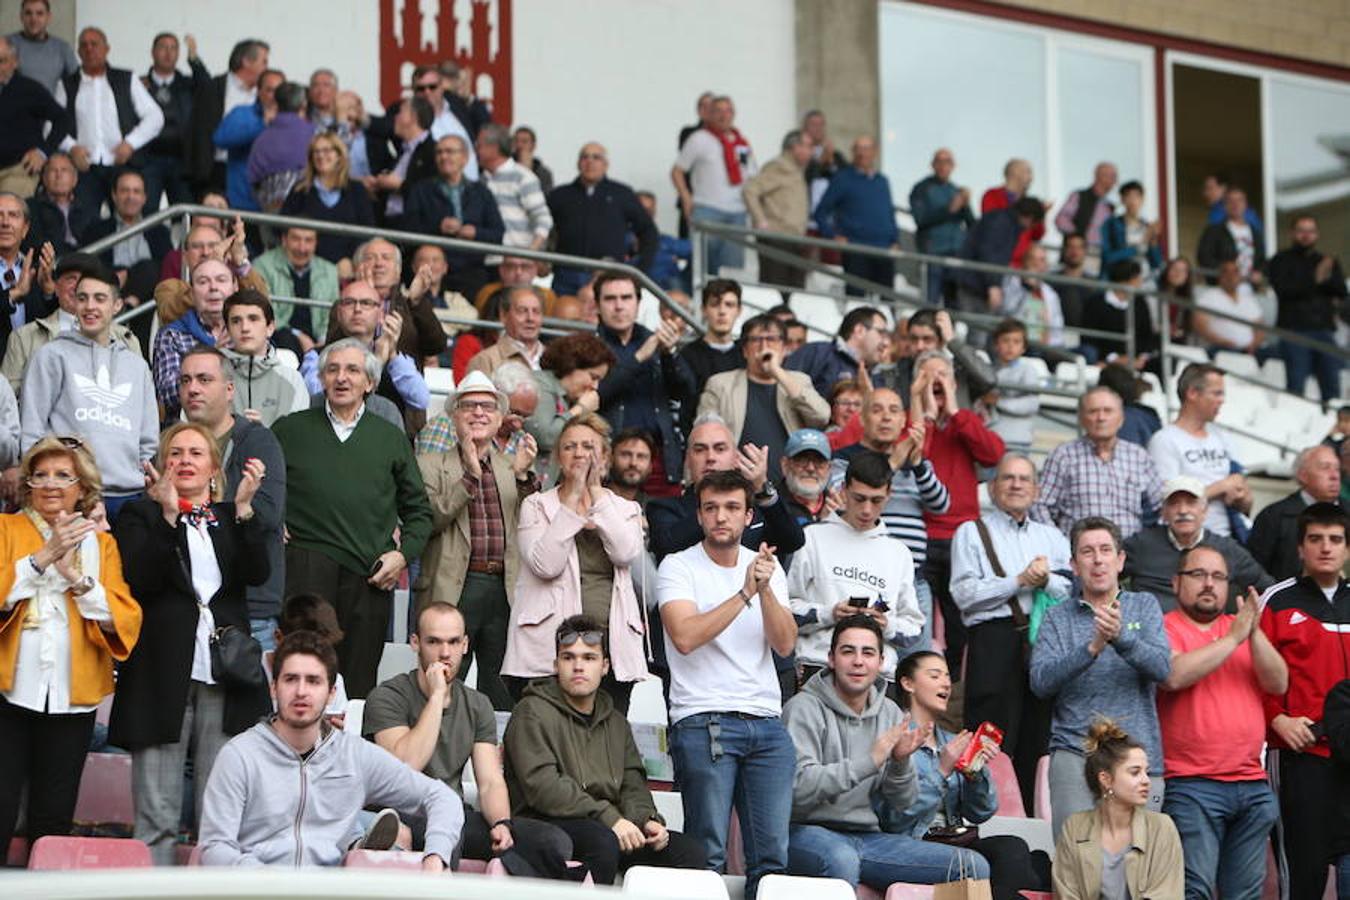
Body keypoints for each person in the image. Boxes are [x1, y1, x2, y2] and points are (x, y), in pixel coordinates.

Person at [109, 422, 270, 864]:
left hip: (224, 674)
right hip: (162, 676)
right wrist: (166, 518)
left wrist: (244, 510)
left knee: (218, 820)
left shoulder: (229, 515)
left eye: (196, 453)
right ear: (162, 465)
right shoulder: (140, 515)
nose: (184, 461)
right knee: (156, 817)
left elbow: (258, 573)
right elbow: (140, 578)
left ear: (214, 467)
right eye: (175, 453)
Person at [199, 630, 463, 868]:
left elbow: (442, 798)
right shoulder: (240, 755)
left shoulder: (353, 755)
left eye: (313, 681)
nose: (301, 691)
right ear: (273, 688)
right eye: (291, 679)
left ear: (331, 693)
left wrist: (435, 858)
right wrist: (265, 879)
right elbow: (214, 847)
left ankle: (361, 844)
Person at [658, 469, 798, 899]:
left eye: (732, 508)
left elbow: (786, 643)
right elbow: (684, 637)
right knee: (707, 854)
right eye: (712, 508)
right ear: (699, 515)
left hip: (767, 724)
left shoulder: (767, 570)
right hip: (704, 721)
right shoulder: (677, 566)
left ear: (748, 516)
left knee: (772, 859)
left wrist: (765, 588)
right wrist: (743, 595)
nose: (722, 517)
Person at [0, 436, 141, 857]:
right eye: (40, 475)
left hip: (72, 697)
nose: (50, 484)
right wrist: (41, 559)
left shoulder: (102, 545)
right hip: (9, 690)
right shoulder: (6, 529)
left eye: (63, 475)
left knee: (54, 819)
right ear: (27, 484)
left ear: (83, 487)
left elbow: (125, 617)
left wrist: (78, 580)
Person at [273, 338, 433, 698]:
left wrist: (402, 555)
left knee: (358, 684)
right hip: (306, 566)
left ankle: (347, 755)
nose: (341, 378)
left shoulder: (391, 438)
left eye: (352, 370)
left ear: (370, 383)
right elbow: (259, 486)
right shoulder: (289, 429)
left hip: (369, 575)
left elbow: (419, 511)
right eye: (332, 369)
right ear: (322, 379)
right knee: (301, 675)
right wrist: (273, 518)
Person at [365, 602, 571, 876]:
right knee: (447, 825)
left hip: (455, 812)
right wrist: (438, 696)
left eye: (453, 642)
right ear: (415, 643)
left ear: (465, 644)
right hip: (399, 811)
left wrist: (502, 823)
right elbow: (406, 764)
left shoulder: (477, 704)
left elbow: (489, 782)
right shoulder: (387, 696)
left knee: (552, 841)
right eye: (434, 642)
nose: (445, 653)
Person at [504, 616, 706, 884]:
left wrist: (646, 820)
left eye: (589, 658)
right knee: (602, 842)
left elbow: (632, 784)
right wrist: (609, 818)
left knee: (688, 853)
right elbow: (544, 788)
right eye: (568, 657)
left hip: (607, 823)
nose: (578, 666)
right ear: (556, 665)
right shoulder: (530, 712)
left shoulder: (616, 722)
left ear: (605, 666)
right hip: (546, 821)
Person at [1158, 545, 1286, 900]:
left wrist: (1253, 632)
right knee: (1194, 891)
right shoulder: (1165, 627)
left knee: (1244, 896)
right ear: (1175, 582)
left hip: (1251, 785)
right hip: (1192, 784)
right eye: (1198, 575)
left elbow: (1278, 683)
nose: (1209, 584)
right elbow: (1174, 675)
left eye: (1218, 577)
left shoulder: (1241, 629)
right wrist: (1233, 639)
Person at [1030, 517, 1170, 839]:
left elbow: (1163, 669)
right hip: (1075, 754)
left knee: (1137, 871)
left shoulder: (1144, 606)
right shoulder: (1057, 617)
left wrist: (1121, 638)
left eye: (1106, 550)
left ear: (1120, 560)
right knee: (1076, 862)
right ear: (1074, 565)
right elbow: (1040, 682)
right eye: (1087, 552)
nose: (1098, 559)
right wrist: (1091, 648)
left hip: (1138, 755)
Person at [951, 455, 1071, 812]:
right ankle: (979, 814)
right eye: (1008, 478)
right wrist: (1019, 581)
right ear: (992, 487)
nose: (1016, 485)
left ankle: (1035, 818)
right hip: (993, 638)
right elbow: (964, 595)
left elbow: (1070, 588)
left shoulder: (1051, 536)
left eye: (1023, 479)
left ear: (1036, 490)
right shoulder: (971, 532)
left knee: (1039, 737)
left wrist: (1045, 579)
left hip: (1041, 640)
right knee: (987, 733)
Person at [503, 413, 646, 712]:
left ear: (605, 456)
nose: (579, 453)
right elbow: (546, 565)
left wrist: (595, 492)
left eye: (588, 446)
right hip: (549, 650)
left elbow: (624, 552)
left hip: (610, 650)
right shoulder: (536, 505)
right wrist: (572, 501)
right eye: (569, 447)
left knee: (606, 743)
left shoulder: (625, 508)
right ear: (557, 456)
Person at [884, 649, 1053, 899]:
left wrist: (975, 771)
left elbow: (980, 813)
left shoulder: (952, 740)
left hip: (955, 839)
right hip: (913, 843)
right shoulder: (892, 740)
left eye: (947, 676)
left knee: (1014, 848)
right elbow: (896, 818)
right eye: (934, 675)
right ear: (908, 683)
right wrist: (942, 770)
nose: (945, 683)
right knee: (1032, 869)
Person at [415, 371, 538, 711]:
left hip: (503, 588)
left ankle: (498, 762)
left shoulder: (510, 467)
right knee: (440, 684)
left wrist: (525, 477)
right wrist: (469, 474)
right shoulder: (429, 464)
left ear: (500, 418)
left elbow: (530, 525)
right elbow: (431, 519)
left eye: (487, 406)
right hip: (454, 585)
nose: (479, 413)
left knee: (501, 690)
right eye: (469, 406)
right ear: (454, 415)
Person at [781, 617, 930, 890]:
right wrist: (870, 761)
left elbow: (903, 803)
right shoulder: (803, 708)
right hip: (803, 833)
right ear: (831, 659)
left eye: (868, 652)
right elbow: (796, 789)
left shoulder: (890, 713)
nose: (858, 661)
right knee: (842, 859)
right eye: (848, 651)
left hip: (869, 838)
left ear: (881, 662)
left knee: (970, 866)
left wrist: (899, 761)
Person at [1260, 502, 1350, 900]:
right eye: (1315, 539)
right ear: (1300, 548)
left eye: (1335, 539)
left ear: (1347, 547)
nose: (1326, 548)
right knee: (1303, 876)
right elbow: (1252, 676)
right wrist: (1276, 720)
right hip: (1300, 756)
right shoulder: (1276, 601)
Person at [20, 267, 157, 520]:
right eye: (82, 298)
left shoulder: (136, 365)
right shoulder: (52, 355)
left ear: (117, 305)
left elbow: (148, 441)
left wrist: (146, 481)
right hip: (71, 495)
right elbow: (32, 431)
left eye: (99, 298)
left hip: (129, 495)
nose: (89, 306)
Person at [178, 346, 288, 651]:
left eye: (203, 379)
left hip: (250, 607)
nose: (193, 389)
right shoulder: (173, 444)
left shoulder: (257, 441)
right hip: (188, 604)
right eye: (185, 380)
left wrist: (226, 508)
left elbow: (266, 514)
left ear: (229, 390)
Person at [788, 451, 924, 682]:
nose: (867, 510)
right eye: (859, 498)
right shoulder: (812, 538)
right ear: (843, 491)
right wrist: (829, 613)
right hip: (819, 666)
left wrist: (886, 624)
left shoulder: (898, 552)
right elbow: (783, 611)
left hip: (879, 676)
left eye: (876, 500)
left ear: (889, 495)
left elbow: (914, 630)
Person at [829, 389, 948, 645]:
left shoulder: (914, 461)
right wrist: (894, 460)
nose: (886, 418)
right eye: (877, 410)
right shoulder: (844, 458)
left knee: (916, 662)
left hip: (913, 581)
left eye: (894, 411)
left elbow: (941, 504)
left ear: (903, 421)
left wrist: (916, 465)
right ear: (861, 419)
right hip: (862, 576)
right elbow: (840, 499)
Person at [911, 351, 1005, 674]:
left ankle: (953, 685)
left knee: (958, 623)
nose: (936, 382)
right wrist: (924, 414)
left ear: (953, 383)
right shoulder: (911, 423)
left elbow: (993, 454)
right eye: (928, 376)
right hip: (920, 532)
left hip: (961, 535)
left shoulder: (965, 421)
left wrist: (954, 410)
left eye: (943, 376)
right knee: (919, 619)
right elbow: (914, 458)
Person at [1051, 721, 1184, 900]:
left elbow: (1166, 895)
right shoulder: (1074, 827)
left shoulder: (1162, 827)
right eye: (1135, 772)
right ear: (1105, 779)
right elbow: (1066, 894)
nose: (1146, 780)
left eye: (1147, 772)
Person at [595, 272, 696, 496]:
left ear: (638, 302)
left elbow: (687, 390)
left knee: (663, 526)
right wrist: (640, 358)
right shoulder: (588, 345)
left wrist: (670, 353)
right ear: (597, 305)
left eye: (626, 298)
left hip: (659, 458)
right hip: (608, 457)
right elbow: (596, 396)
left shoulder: (655, 339)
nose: (619, 306)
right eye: (610, 299)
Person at [697, 314, 829, 478]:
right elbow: (703, 434)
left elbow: (821, 417)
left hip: (790, 484)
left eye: (771, 339)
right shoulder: (720, 384)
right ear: (745, 350)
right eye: (756, 340)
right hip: (736, 483)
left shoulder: (798, 381)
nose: (764, 346)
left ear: (784, 348)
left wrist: (778, 373)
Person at [1122, 476, 1272, 612]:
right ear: (1164, 513)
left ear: (1204, 511)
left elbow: (1268, 588)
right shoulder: (1141, 545)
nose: (1183, 510)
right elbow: (1104, 572)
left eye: (1191, 503)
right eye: (1174, 504)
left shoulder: (1226, 548)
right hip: (1151, 635)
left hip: (1209, 635)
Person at [54, 27, 164, 212]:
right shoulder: (66, 84)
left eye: (94, 44)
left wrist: (130, 143)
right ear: (79, 51)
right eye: (84, 45)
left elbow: (155, 117)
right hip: (85, 169)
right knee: (85, 222)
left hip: (123, 165)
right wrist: (71, 147)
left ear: (107, 49)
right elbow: (51, 125)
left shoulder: (126, 79)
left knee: (128, 221)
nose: (89, 49)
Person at [1034, 385, 1164, 539]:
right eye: (1093, 411)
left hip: (1130, 555)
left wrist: (1147, 543)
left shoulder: (1139, 456)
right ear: (1081, 419)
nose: (1101, 417)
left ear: (1121, 419)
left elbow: (1161, 506)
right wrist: (1057, 542)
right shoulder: (1063, 456)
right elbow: (1039, 505)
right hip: (1079, 556)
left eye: (1108, 411)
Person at [2, 250, 140, 393]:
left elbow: (141, 395)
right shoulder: (24, 338)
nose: (78, 287)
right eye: (71, 279)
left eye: (86, 280)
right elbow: (6, 402)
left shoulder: (126, 339)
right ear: (55, 287)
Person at [1148, 363, 1248, 539]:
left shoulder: (1223, 438)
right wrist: (1222, 486)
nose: (1221, 400)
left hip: (1232, 537)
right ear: (1192, 393)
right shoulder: (1164, 440)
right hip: (1190, 540)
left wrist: (1241, 496)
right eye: (1216, 393)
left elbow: (1246, 505)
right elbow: (1165, 500)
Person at [545, 141, 656, 297]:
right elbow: (541, 227)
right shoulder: (560, 195)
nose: (590, 162)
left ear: (606, 164)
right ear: (578, 163)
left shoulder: (622, 194)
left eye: (596, 157)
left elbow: (648, 231)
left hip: (607, 276)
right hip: (566, 275)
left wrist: (639, 269)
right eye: (585, 157)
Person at [404, 134, 504, 300]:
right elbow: (407, 230)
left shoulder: (481, 192)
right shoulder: (421, 190)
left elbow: (498, 234)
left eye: (450, 152)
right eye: (439, 152)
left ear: (464, 158)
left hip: (472, 272)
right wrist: (437, 227)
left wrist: (475, 233)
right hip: (430, 272)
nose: (443, 157)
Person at [672, 94, 758, 275]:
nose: (723, 115)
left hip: (737, 213)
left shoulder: (741, 142)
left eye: (728, 111)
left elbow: (751, 176)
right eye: (718, 111)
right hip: (707, 209)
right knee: (702, 266)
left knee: (732, 269)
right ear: (709, 114)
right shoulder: (699, 138)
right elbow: (677, 171)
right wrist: (687, 198)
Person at [1267, 215, 1347, 401]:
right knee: (1296, 385)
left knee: (1331, 387)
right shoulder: (1281, 260)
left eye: (1310, 231)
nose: (1306, 235)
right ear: (1293, 233)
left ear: (1317, 235)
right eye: (1301, 230)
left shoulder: (1325, 261)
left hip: (1324, 331)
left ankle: (1334, 427)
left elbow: (1341, 291)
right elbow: (1284, 290)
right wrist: (1316, 279)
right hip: (1294, 330)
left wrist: (1324, 279)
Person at [814, 136, 899, 296]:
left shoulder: (882, 181)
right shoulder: (842, 178)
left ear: (874, 152)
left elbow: (890, 213)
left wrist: (895, 240)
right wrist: (832, 236)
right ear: (853, 152)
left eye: (866, 148)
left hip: (884, 250)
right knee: (857, 302)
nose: (862, 153)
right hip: (856, 249)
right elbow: (820, 212)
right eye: (858, 149)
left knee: (887, 303)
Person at [280, 131, 376, 271]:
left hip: (346, 267)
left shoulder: (357, 190)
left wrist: (351, 259)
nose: (320, 156)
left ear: (339, 155)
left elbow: (367, 229)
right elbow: (282, 226)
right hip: (306, 265)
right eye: (316, 152)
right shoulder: (300, 190)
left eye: (327, 150)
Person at [152, 257, 234, 421]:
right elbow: (168, 396)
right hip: (188, 430)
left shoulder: (246, 331)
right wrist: (213, 357)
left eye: (221, 280)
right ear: (191, 293)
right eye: (203, 282)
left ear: (235, 287)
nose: (213, 288)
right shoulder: (172, 335)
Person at [187, 38, 270, 195]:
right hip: (212, 171)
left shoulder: (266, 96)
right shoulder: (212, 87)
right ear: (247, 62)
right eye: (263, 62)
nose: (267, 68)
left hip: (249, 174)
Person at [524, 332, 614, 476]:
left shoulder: (566, 398)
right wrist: (580, 409)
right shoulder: (540, 385)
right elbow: (546, 437)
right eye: (593, 377)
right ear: (572, 365)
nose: (595, 386)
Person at [1248, 444, 1342, 582]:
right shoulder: (1274, 516)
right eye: (1325, 468)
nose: (1334, 476)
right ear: (1303, 475)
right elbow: (1254, 571)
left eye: (1337, 469)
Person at [82, 169, 171, 309]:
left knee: (150, 268)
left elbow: (166, 268)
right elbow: (91, 267)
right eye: (125, 191)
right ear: (114, 195)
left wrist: (129, 274)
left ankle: (130, 304)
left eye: (136, 191)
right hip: (110, 291)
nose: (131, 197)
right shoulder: (96, 230)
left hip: (147, 298)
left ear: (144, 197)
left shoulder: (159, 231)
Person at [138, 32, 206, 210]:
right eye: (163, 48)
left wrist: (194, 59)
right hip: (148, 159)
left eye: (173, 48)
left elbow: (207, 87)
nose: (168, 53)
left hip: (181, 161)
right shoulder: (138, 85)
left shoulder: (188, 84)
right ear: (153, 52)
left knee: (186, 213)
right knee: (147, 212)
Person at [951, 197, 1045, 324]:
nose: (1029, 228)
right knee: (978, 334)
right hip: (974, 284)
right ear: (1029, 217)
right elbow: (990, 253)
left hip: (976, 282)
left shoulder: (1004, 221)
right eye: (1033, 224)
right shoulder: (1002, 223)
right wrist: (993, 285)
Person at [0, 35, 71, 199]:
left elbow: (63, 120)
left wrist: (43, 152)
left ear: (15, 62)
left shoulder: (29, 89)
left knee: (8, 217)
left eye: (2, 61)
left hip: (17, 171)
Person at [742, 129, 813, 290]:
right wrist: (760, 220)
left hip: (795, 239)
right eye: (807, 146)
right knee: (775, 291)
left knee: (794, 292)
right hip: (777, 238)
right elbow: (750, 190)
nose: (811, 151)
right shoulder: (779, 167)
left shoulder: (796, 170)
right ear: (794, 147)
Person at [251, 226, 339, 350]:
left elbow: (331, 315)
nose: (302, 248)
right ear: (284, 240)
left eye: (308, 240)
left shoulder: (330, 270)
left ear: (315, 243)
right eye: (296, 239)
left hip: (318, 340)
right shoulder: (262, 265)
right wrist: (297, 335)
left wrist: (323, 341)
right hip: (279, 336)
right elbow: (265, 311)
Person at [211, 66, 284, 212]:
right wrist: (262, 125)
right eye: (269, 90)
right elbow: (220, 139)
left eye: (279, 91)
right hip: (243, 200)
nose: (274, 96)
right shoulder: (242, 113)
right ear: (259, 91)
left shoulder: (294, 119)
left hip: (280, 203)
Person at [908, 147, 974, 303]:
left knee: (955, 301)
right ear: (933, 165)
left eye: (948, 162)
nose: (944, 166)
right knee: (931, 300)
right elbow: (921, 218)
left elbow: (971, 223)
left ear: (953, 166)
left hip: (956, 253)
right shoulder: (922, 188)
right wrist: (950, 209)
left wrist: (965, 204)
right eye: (940, 161)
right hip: (933, 253)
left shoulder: (955, 190)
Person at [476, 122, 551, 253]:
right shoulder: (481, 180)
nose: (475, 150)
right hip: (487, 259)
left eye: (479, 145)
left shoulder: (523, 177)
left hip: (517, 263)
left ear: (493, 148)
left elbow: (543, 219)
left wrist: (531, 253)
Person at [786, 305, 887, 399]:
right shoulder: (817, 352)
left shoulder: (877, 375)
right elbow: (784, 391)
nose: (886, 342)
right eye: (881, 333)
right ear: (859, 330)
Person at [678, 278, 744, 412]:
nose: (722, 312)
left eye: (729, 305)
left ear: (739, 311)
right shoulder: (688, 354)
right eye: (715, 304)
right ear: (703, 310)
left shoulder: (747, 353)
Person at [409, 64, 479, 178]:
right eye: (420, 89)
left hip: (472, 190)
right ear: (413, 91)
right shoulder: (413, 121)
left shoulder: (457, 107)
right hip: (439, 191)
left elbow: (485, 125)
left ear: (442, 87)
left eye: (432, 87)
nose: (427, 92)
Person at [984, 319, 1041, 457]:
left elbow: (1032, 404)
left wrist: (998, 402)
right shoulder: (989, 370)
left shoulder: (1028, 370)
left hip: (1016, 440)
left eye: (1016, 342)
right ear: (996, 345)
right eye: (1005, 340)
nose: (1010, 346)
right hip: (991, 437)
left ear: (1024, 347)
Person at [998, 244, 1066, 353]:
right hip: (1017, 344)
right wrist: (1027, 287)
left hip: (1045, 346)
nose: (1037, 264)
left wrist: (1048, 342)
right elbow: (1007, 312)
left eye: (1042, 260)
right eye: (1032, 259)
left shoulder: (1051, 294)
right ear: (1024, 261)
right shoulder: (1010, 284)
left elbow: (1057, 328)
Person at [466, 286, 544, 376]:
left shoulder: (555, 359)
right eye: (522, 311)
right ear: (503, 316)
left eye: (536, 311)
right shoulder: (485, 361)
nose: (530, 318)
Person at [1193, 259, 1265, 355]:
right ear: (1220, 276)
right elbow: (1200, 325)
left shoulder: (1248, 300)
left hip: (1250, 350)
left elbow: (1260, 327)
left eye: (1235, 272)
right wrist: (1221, 342)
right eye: (1226, 272)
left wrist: (1254, 345)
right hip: (1220, 349)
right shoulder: (1209, 297)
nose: (1231, 276)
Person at [30, 152, 97, 253]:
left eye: (64, 170)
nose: (59, 175)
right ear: (44, 178)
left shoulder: (87, 205)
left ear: (75, 179)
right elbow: (37, 244)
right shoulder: (32, 207)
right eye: (53, 170)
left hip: (87, 260)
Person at [1197, 187, 1266, 284]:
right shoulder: (1213, 231)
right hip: (1223, 288)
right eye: (1230, 201)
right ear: (1225, 206)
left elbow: (1261, 259)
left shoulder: (1255, 232)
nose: (1235, 204)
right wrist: (1227, 272)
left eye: (1239, 200)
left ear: (1246, 204)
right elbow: (1205, 258)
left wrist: (1259, 272)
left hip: (1250, 288)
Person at [1100, 180, 1163, 284]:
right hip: (1120, 279)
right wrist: (1139, 247)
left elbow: (1157, 263)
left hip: (1144, 280)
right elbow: (1108, 257)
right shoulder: (1111, 224)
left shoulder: (1147, 227)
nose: (1133, 201)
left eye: (1137, 196)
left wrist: (1153, 241)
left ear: (1142, 199)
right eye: (1128, 196)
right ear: (1122, 199)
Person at [1053, 162, 1118, 262]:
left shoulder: (1110, 206)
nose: (1115, 181)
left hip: (1099, 255)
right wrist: (1078, 237)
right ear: (1100, 176)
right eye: (1113, 177)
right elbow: (1061, 219)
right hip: (1079, 254)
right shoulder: (1079, 196)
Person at [8, 0, 76, 95]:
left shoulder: (62, 48)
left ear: (48, 17)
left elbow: (77, 86)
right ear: (21, 17)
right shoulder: (6, 44)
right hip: (13, 109)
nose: (33, 19)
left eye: (39, 13)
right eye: (28, 13)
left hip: (49, 109)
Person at [778, 428, 834, 526]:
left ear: (829, 469)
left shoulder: (836, 505)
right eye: (802, 460)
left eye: (819, 461)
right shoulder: (771, 505)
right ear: (785, 465)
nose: (810, 468)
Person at [607, 429, 655, 506]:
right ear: (610, 459)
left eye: (641, 456)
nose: (633, 463)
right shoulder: (592, 500)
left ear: (650, 466)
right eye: (626, 455)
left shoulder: (653, 509)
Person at [511, 125, 553, 194]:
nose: (519, 145)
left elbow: (546, 198)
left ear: (533, 146)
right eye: (516, 141)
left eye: (524, 141)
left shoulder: (543, 173)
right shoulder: (504, 168)